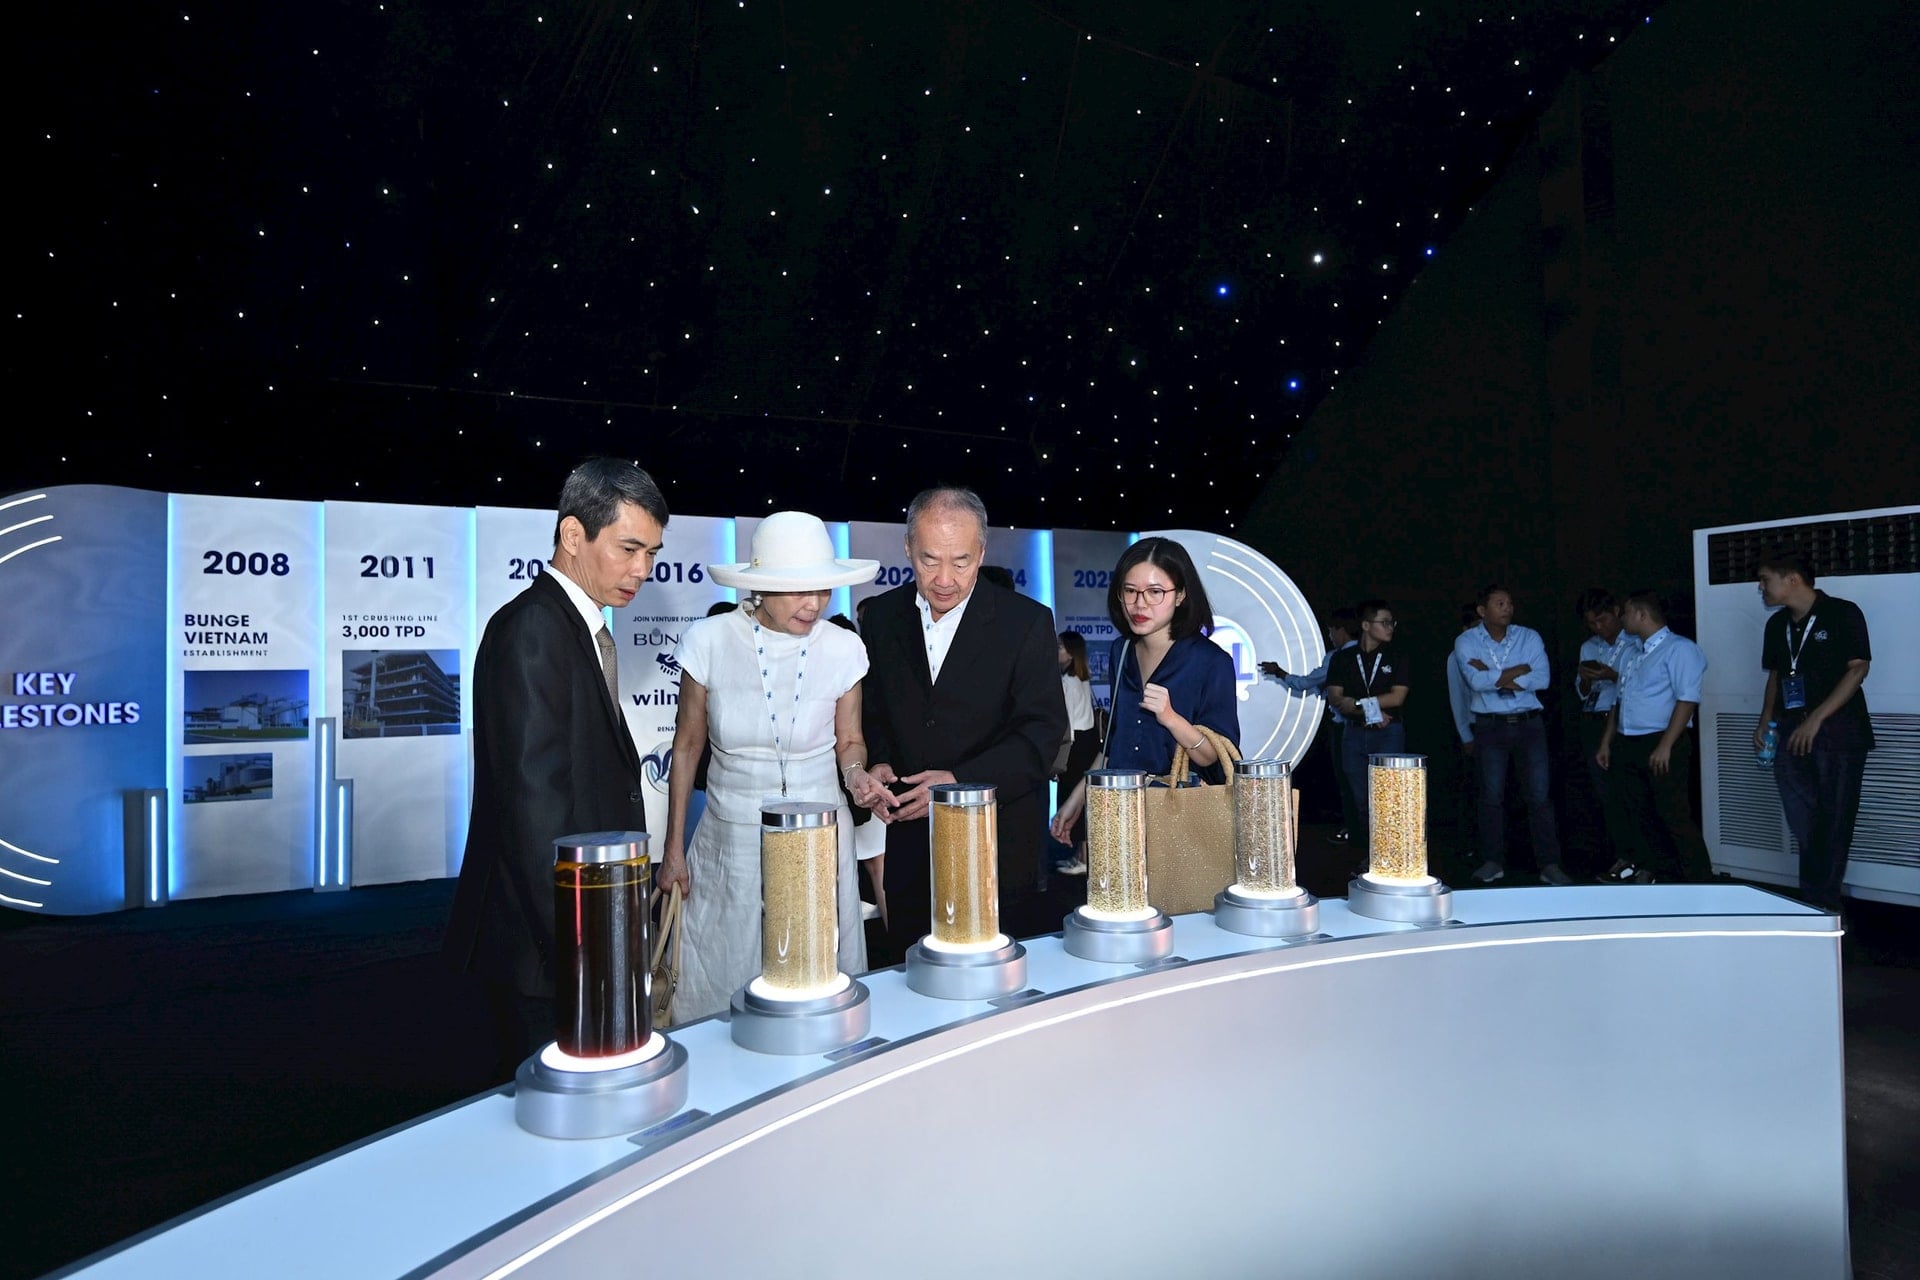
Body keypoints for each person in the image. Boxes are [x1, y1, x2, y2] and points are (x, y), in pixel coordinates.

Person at [444, 457, 668, 1079]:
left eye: (651, 554)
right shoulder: (534, 630)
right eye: (628, 549)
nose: (642, 570)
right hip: (545, 949)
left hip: (574, 934)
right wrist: (583, 948)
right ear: (574, 535)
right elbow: (533, 810)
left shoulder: (574, 627)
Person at [656, 512, 880, 1022]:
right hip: (730, 837)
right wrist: (672, 849)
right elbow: (687, 747)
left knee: (816, 975)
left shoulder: (844, 647)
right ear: (760, 587)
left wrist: (856, 776)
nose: (814, 604)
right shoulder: (709, 640)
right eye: (798, 590)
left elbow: (850, 741)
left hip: (818, 836)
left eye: (822, 589)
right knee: (721, 974)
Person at [858, 487, 1067, 956]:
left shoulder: (1025, 622)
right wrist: (879, 762)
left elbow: (1041, 733)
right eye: (929, 560)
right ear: (908, 548)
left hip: (997, 850)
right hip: (911, 850)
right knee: (913, 973)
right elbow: (874, 713)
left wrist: (959, 782)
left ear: (982, 553)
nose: (945, 579)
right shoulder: (883, 618)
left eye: (961, 561)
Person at [1051, 537, 1240, 845]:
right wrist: (1077, 798)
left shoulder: (1211, 661)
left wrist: (1172, 719)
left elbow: (1213, 755)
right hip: (1120, 810)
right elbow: (1114, 744)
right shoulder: (1121, 651)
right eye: (1130, 591)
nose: (1140, 604)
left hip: (1180, 816)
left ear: (1180, 595)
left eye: (1155, 592)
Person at [1754, 550, 1874, 912]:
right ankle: (1814, 901)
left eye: (1765, 580)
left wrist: (1817, 718)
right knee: (1804, 820)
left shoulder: (1842, 613)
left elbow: (1858, 669)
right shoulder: (1777, 625)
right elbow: (1777, 675)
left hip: (1837, 733)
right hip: (1791, 730)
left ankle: (1823, 907)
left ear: (1792, 579)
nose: (1761, 588)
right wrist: (1765, 719)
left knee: (1835, 821)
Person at [1454, 585, 1570, 885]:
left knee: (1539, 796)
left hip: (1529, 724)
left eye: (1509, 603)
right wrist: (1517, 669)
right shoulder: (1466, 640)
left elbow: (1542, 679)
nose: (1508, 608)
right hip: (1490, 725)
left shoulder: (1528, 636)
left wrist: (1493, 675)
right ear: (1482, 610)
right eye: (1500, 603)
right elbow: (1475, 682)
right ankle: (1493, 862)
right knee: (1491, 796)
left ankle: (1549, 864)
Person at [1595, 590, 1712, 884]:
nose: (1622, 618)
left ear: (1641, 614)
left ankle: (1699, 880)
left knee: (1673, 814)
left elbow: (1687, 700)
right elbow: (1619, 699)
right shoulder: (1632, 652)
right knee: (1638, 811)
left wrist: (1665, 746)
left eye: (1626, 612)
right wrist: (1607, 741)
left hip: (1661, 739)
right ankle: (1654, 872)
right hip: (1628, 739)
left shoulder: (1680, 649)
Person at [1260, 606, 1361, 843]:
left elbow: (1306, 683)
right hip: (1372, 726)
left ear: (1341, 630)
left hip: (1346, 727)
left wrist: (1280, 673)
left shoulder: (1337, 658)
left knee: (1349, 781)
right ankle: (1362, 832)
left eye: (1331, 631)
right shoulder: (1366, 653)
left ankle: (1355, 831)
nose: (1330, 636)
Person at [1324, 599, 1409, 857]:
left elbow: (1397, 697)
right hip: (1354, 733)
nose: (1390, 627)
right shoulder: (1343, 658)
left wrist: (1361, 704)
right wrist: (1372, 712)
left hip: (1387, 734)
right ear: (1365, 625)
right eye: (1384, 622)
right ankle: (1368, 858)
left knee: (1389, 799)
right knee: (1361, 800)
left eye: (1392, 623)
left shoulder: (1397, 655)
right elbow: (1337, 698)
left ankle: (1392, 856)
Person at [1574, 588, 1632, 872]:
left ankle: (1636, 855)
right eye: (1592, 623)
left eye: (1603, 620)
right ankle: (1617, 853)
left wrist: (1612, 675)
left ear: (1617, 612)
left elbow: (1640, 683)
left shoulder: (1634, 642)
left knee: (1627, 790)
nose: (1599, 627)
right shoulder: (1589, 647)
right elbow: (1582, 692)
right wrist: (1586, 679)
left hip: (1623, 721)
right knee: (1603, 792)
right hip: (1593, 719)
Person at [1053, 630, 1101, 876]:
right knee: (1084, 799)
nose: (1056, 651)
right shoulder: (1082, 679)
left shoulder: (1066, 682)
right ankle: (1082, 856)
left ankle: (1083, 858)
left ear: (1071, 653)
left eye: (1060, 647)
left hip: (1073, 745)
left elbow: (1066, 725)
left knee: (1075, 799)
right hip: (1088, 742)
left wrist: (1058, 761)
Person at [1446, 602, 1481, 866]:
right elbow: (1457, 698)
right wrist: (1465, 735)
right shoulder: (1456, 656)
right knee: (1472, 788)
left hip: (1499, 727)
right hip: (1474, 728)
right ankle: (1469, 845)